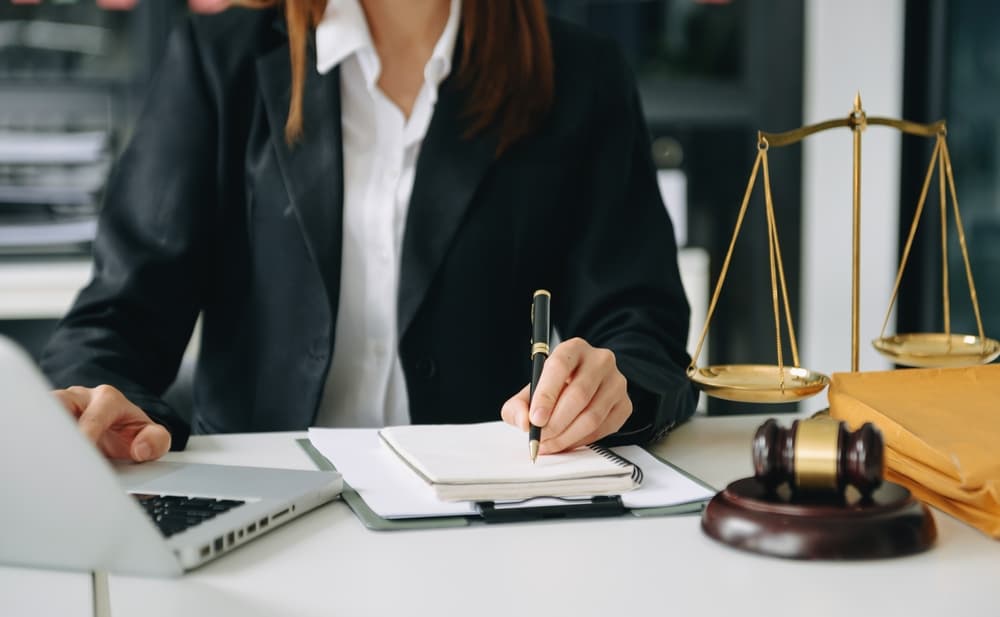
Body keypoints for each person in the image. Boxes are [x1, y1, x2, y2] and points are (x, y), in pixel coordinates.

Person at [41, 0, 697, 463]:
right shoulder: (219, 64)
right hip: (266, 512)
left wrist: (614, 387)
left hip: (485, 512)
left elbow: (643, 328)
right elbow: (116, 319)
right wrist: (96, 401)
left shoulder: (579, 76)